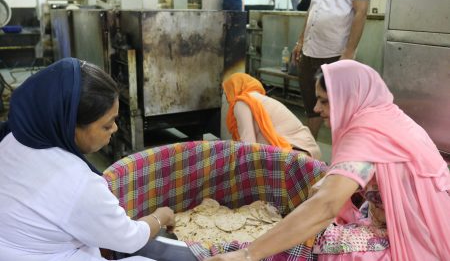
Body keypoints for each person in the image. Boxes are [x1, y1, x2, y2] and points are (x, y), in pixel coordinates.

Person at [206, 60, 450, 260]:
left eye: (324, 101)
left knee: (322, 243)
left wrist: (249, 253)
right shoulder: (386, 116)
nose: (316, 108)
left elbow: (326, 206)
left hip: (417, 234)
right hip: (433, 218)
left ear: (349, 97)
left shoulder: (367, 134)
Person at [0, 58, 183, 260]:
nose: (115, 128)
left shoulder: (12, 139)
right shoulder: (78, 183)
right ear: (71, 125)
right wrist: (161, 215)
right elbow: (130, 238)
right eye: (107, 125)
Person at [293, 0, 372, 139]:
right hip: (309, 49)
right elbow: (313, 8)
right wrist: (300, 41)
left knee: (338, 112)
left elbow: (361, 11)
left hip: (335, 52)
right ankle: (308, 154)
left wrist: (349, 53)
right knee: (312, 108)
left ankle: (342, 160)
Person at [223, 72, 321, 159]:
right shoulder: (258, 99)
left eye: (227, 91)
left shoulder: (241, 102)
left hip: (297, 154)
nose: (227, 97)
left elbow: (248, 146)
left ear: (233, 88)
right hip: (309, 151)